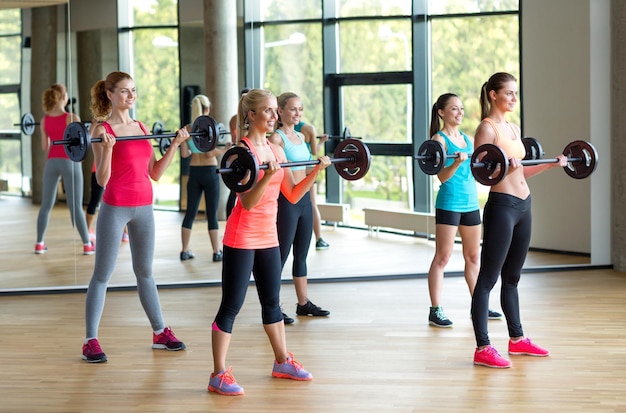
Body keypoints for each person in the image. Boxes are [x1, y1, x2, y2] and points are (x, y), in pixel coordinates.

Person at [208, 89, 330, 396]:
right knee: (231, 306)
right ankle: (218, 374)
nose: (274, 116)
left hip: (268, 236)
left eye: (276, 110)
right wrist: (263, 177)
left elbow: (292, 194)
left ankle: (281, 362)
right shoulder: (243, 151)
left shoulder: (276, 151)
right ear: (252, 115)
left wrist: (316, 171)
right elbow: (247, 203)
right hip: (242, 235)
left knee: (272, 303)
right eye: (268, 111)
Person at [82, 71, 188, 363]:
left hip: (144, 208)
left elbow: (154, 173)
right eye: (125, 91)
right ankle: (90, 340)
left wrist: (175, 146)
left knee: (145, 272)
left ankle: (159, 332)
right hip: (115, 207)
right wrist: (106, 150)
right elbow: (102, 180)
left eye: (133, 90)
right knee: (102, 275)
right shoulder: (100, 129)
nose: (131, 96)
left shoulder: (141, 127)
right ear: (110, 94)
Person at [470, 72, 566, 368]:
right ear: (493, 95)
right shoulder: (486, 129)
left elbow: (520, 171)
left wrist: (550, 165)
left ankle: (517, 339)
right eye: (508, 93)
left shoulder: (513, 127)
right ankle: (483, 347)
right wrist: (505, 166)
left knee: (512, 278)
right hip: (502, 207)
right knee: (487, 278)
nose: (513, 98)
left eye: (515, 93)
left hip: (524, 205)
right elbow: (481, 172)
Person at [426, 93, 502, 328]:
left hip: (470, 203)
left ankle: (478, 305)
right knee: (443, 257)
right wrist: (457, 162)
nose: (459, 113)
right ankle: (435, 310)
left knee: (473, 257)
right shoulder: (439, 140)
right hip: (449, 202)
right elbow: (442, 177)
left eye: (461, 109)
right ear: (441, 113)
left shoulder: (468, 140)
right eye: (454, 109)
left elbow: (480, 170)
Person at [270, 92, 330, 325]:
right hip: (287, 201)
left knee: (302, 255)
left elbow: (307, 170)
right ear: (280, 111)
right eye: (293, 109)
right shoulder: (276, 140)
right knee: (280, 257)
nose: (297, 113)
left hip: (304, 202)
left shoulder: (300, 137)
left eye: (300, 109)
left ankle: (303, 304)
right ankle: (273, 307)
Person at [35, 83, 95, 255]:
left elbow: (45, 147)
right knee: (75, 206)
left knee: (46, 205)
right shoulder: (72, 117)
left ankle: (39, 243)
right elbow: (85, 142)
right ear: (63, 97)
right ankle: (87, 244)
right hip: (70, 162)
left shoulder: (44, 120)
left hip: (51, 163)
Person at [180, 94, 228, 262]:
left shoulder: (187, 128)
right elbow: (209, 153)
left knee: (190, 213)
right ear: (207, 108)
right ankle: (216, 251)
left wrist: (183, 141)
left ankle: (185, 250)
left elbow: (185, 154)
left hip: (194, 172)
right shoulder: (209, 127)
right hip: (210, 172)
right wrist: (224, 149)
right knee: (212, 214)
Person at [85, 120, 129, 243]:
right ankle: (88, 231)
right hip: (98, 170)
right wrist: (93, 124)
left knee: (123, 200)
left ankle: (125, 232)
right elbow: (86, 141)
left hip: (116, 170)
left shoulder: (118, 126)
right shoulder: (98, 128)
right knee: (94, 200)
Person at [295, 120, 330, 250]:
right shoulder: (309, 128)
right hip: (308, 169)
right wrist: (321, 141)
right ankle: (319, 239)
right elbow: (315, 151)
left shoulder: (279, 128)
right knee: (312, 204)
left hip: (293, 170)